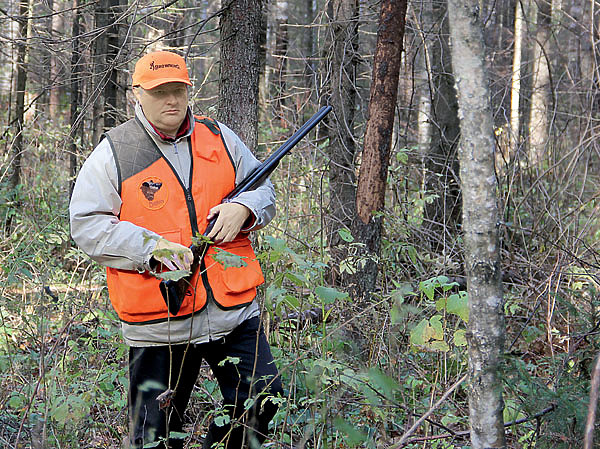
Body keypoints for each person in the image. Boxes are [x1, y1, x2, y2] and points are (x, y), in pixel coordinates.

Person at [69, 50, 282, 449]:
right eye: (160, 91)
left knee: (261, 398)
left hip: (231, 310)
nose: (171, 100)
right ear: (138, 94)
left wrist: (245, 208)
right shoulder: (117, 151)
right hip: (158, 321)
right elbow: (87, 223)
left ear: (190, 90)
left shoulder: (219, 138)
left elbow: (263, 188)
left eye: (179, 90)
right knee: (155, 435)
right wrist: (149, 247)